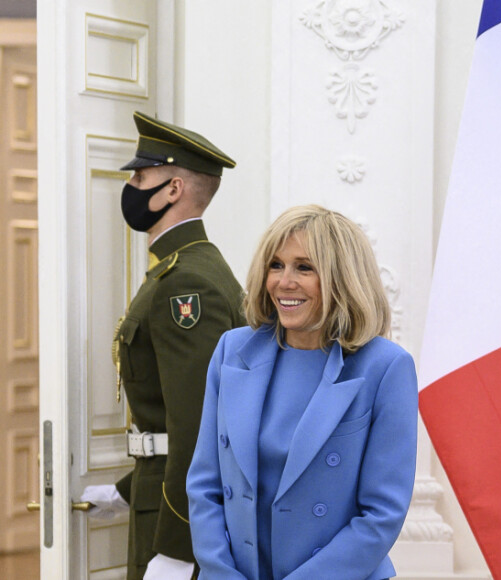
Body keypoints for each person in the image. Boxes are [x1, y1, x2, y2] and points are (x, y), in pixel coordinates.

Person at [186, 204, 418, 580]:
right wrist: (221, 573)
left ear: (343, 278)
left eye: (304, 267)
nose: (284, 282)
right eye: (276, 265)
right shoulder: (232, 351)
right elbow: (204, 485)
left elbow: (381, 514)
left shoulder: (385, 367)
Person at [81, 111, 246, 580]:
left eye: (140, 175)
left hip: (175, 517)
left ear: (172, 189)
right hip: (157, 493)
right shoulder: (181, 268)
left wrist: (179, 547)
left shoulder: (185, 282)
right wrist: (128, 491)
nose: (132, 185)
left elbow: (196, 422)